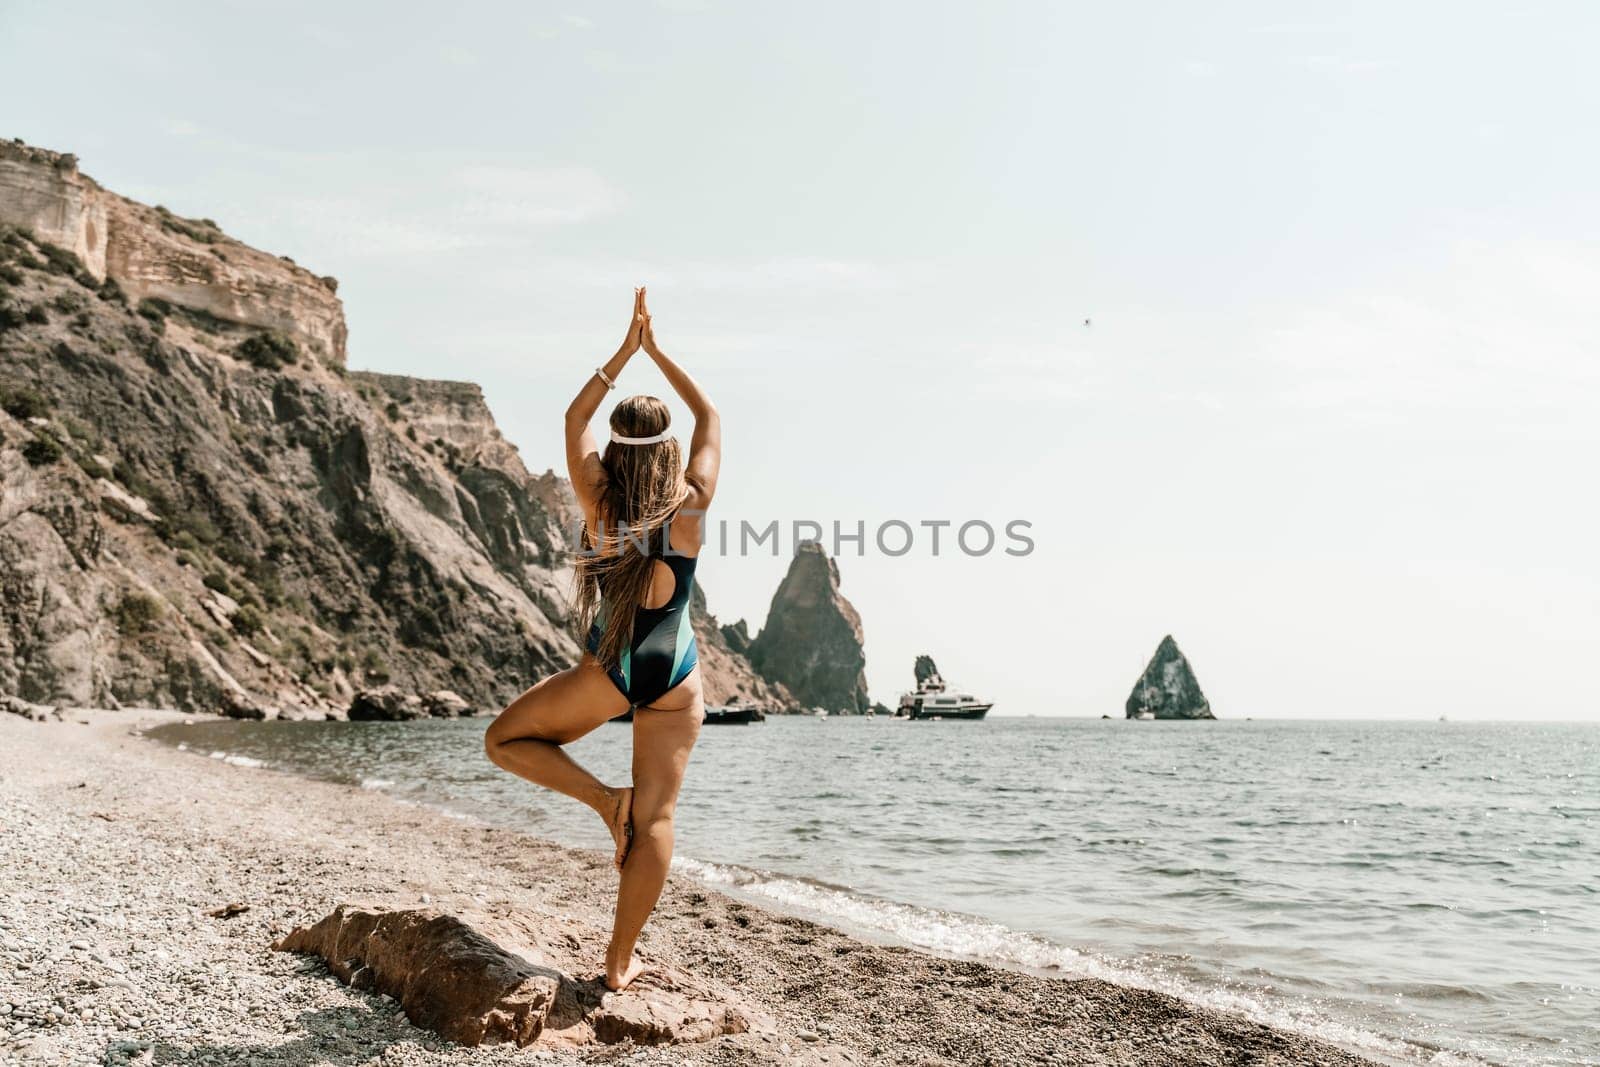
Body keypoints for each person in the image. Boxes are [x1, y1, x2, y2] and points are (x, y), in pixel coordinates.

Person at [484, 287, 720, 991]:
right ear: (668, 446)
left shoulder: (598, 499)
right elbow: (710, 413)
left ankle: (600, 799)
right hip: (674, 678)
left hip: (608, 671)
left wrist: (624, 352)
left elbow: (573, 415)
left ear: (618, 446)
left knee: (504, 740)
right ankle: (618, 965)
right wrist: (659, 350)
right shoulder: (692, 504)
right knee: (659, 818)